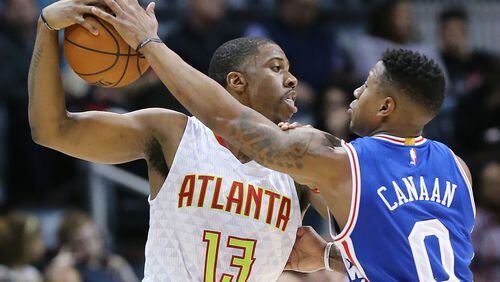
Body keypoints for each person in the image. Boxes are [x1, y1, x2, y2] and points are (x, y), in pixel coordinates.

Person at [89, 0, 476, 280]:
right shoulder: (458, 169)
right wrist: (328, 257)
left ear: (386, 106)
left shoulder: (344, 162)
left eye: (368, 85)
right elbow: (412, 262)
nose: (356, 91)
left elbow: (228, 118)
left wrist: (150, 44)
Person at [30, 0, 330, 281]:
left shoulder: (301, 158)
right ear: (237, 81)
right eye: (277, 68)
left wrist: (329, 256)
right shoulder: (174, 133)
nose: (293, 80)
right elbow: (52, 130)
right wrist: (46, 27)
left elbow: (369, 234)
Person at [45, 211, 137, 282]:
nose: (91, 245)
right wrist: (59, 265)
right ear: (68, 246)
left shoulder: (112, 265)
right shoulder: (69, 271)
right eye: (81, 242)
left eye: (94, 237)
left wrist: (124, 270)